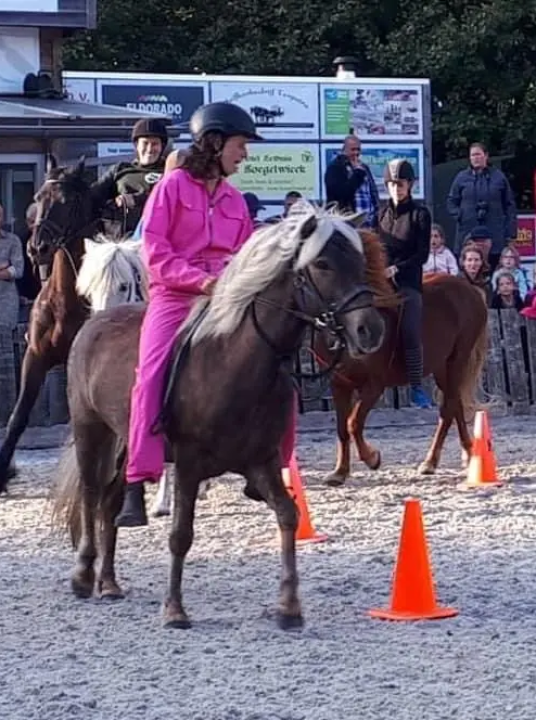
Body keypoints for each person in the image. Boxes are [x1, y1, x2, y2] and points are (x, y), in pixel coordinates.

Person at [115, 101, 296, 527]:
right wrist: (200, 281)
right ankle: (137, 479)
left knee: (278, 365)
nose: (245, 154)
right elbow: (155, 251)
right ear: (215, 143)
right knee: (152, 372)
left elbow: (249, 252)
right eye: (240, 145)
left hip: (227, 297)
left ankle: (269, 463)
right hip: (176, 296)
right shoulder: (171, 187)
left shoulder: (235, 199)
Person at [378, 158, 433, 409]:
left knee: (410, 330)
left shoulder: (420, 214)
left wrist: (396, 268)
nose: (395, 189)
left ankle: (416, 386)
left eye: (400, 184)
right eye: (391, 184)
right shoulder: (381, 214)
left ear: (410, 185)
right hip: (382, 281)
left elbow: (421, 255)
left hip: (408, 282)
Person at [91, 118, 169, 238]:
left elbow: (170, 199)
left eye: (154, 144)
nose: (149, 149)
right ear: (137, 145)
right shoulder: (120, 169)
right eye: (145, 143)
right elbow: (94, 195)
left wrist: (137, 199)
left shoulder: (169, 172)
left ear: (162, 147)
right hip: (121, 241)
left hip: (158, 237)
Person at [446, 142, 517, 270]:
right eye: (472, 155)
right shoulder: (461, 177)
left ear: (486, 156)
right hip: (467, 232)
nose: (475, 158)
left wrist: (510, 233)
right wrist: (460, 215)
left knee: (494, 270)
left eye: (478, 154)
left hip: (494, 233)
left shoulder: (498, 177)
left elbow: (510, 206)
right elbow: (451, 201)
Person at [324, 135, 379, 228]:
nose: (356, 153)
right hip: (348, 223)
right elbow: (341, 194)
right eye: (352, 149)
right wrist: (358, 174)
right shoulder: (335, 167)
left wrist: (377, 213)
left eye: (358, 149)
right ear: (344, 150)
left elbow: (373, 192)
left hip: (368, 222)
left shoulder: (363, 167)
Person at [0, 203, 24, 328]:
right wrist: (4, 267)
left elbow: (17, 270)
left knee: (5, 345)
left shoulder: (13, 241)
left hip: (5, 305)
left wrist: (9, 269)